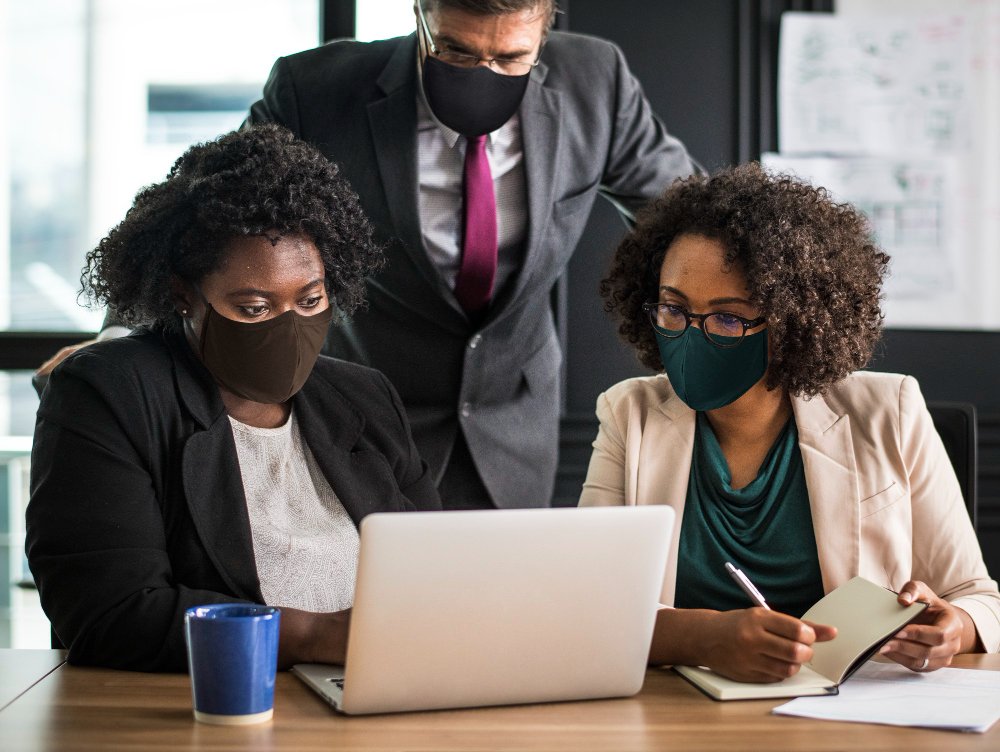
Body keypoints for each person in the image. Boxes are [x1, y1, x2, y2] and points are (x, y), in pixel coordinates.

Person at [244, 0, 698, 510]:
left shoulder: (595, 80)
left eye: (510, 59)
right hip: (361, 413)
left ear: (544, 34)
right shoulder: (312, 90)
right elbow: (231, 227)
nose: (484, 76)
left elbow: (690, 217)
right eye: (456, 52)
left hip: (515, 420)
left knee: (504, 588)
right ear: (420, 13)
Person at [25, 124, 441, 673]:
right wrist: (314, 634)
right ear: (183, 297)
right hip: (205, 708)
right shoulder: (109, 393)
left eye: (310, 299)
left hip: (370, 695)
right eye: (254, 308)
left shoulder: (362, 397)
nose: (288, 328)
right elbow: (110, 613)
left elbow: (438, 576)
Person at [580, 163, 1000, 682]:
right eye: (673, 309)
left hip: (854, 715)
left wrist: (952, 629)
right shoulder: (629, 414)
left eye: (729, 317)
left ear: (791, 320)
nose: (692, 335)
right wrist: (703, 637)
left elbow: (978, 598)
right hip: (680, 715)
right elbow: (587, 609)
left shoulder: (889, 409)